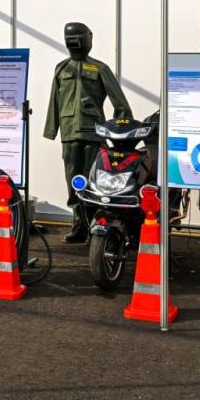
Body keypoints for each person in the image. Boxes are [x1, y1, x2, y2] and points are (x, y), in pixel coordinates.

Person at [44, 22, 132, 243]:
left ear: (88, 38)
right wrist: (51, 129)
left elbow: (120, 103)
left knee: (96, 181)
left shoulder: (99, 69)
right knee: (74, 181)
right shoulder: (62, 69)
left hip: (94, 135)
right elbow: (55, 101)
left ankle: (96, 225)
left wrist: (121, 134)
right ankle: (79, 225)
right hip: (69, 135)